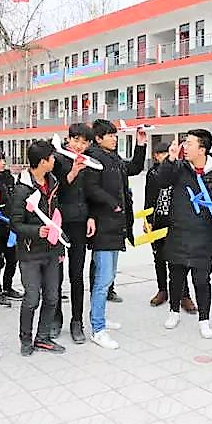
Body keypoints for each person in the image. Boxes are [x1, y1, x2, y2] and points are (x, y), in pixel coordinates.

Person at [156, 130, 212, 339]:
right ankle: (173, 311)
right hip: (178, 231)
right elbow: (161, 181)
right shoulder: (179, 167)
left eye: (189, 143)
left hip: (203, 234)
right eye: (184, 142)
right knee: (176, 277)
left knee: (202, 279)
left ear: (202, 149)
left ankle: (204, 319)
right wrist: (170, 158)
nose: (185, 146)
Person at [83, 119, 146, 349]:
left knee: (107, 279)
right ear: (98, 139)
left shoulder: (114, 158)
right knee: (102, 281)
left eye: (115, 134)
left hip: (116, 227)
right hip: (103, 227)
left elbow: (135, 168)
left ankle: (99, 318)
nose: (114, 138)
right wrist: (112, 203)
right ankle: (97, 329)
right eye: (109, 135)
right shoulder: (94, 159)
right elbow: (90, 188)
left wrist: (140, 145)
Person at [10, 141, 66, 356]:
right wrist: (36, 231)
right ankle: (26, 339)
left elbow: (57, 218)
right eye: (52, 158)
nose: (54, 161)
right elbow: (15, 224)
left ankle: (43, 338)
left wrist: (60, 248)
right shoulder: (22, 188)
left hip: (52, 251)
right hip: (30, 252)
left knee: (52, 297)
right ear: (43, 162)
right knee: (32, 298)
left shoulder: (53, 183)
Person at [50, 123, 96, 343]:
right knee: (55, 275)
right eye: (76, 140)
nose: (79, 146)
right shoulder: (57, 159)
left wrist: (91, 216)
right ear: (68, 139)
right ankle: (55, 317)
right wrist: (74, 171)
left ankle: (77, 321)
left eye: (84, 142)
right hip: (59, 223)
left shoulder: (90, 163)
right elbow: (55, 191)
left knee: (77, 274)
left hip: (79, 222)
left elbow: (92, 193)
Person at [146, 142, 196, 313]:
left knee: (180, 260)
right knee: (159, 258)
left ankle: (184, 294)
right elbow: (148, 197)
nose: (163, 157)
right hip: (158, 219)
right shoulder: (152, 173)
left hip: (175, 222)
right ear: (155, 156)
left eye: (166, 154)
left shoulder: (179, 170)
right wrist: (147, 220)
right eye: (160, 154)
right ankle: (162, 290)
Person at [0, 150, 21, 307]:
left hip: (9, 223)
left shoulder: (8, 177)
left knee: (12, 259)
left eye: (3, 159)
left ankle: (8, 287)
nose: (2, 163)